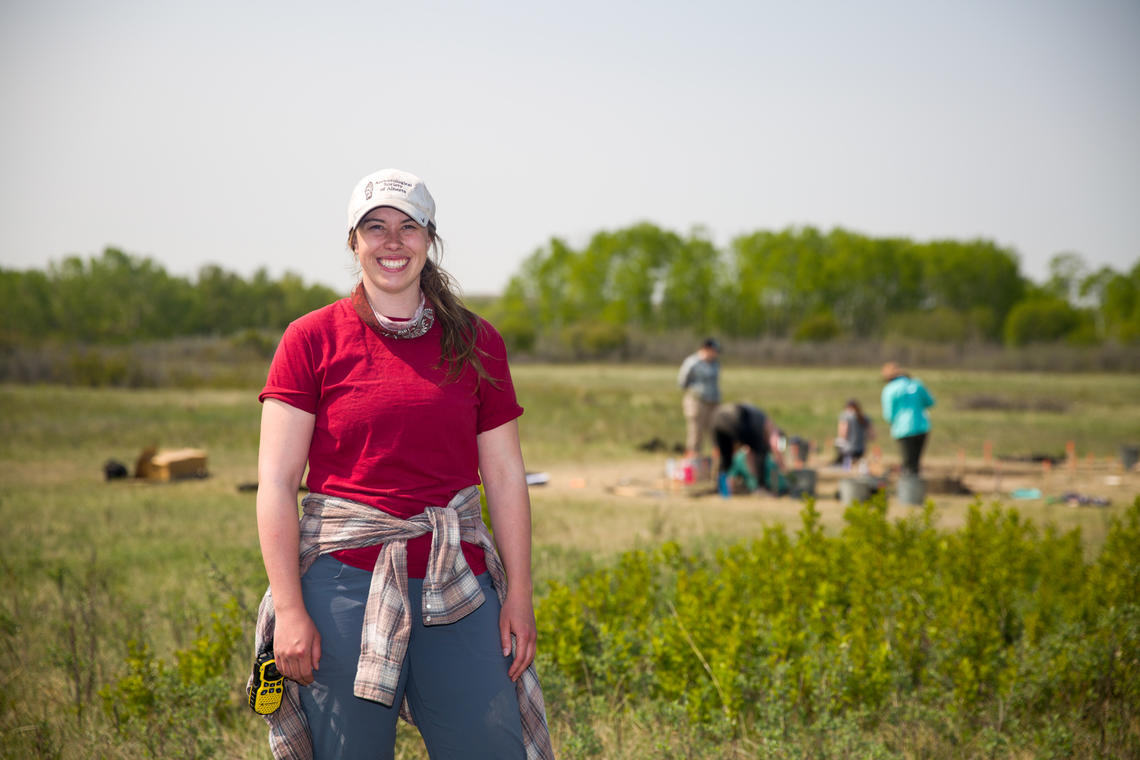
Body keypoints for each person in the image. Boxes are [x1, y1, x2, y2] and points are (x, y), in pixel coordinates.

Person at [250, 168, 553, 760]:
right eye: (375, 227)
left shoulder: (476, 340)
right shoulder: (310, 339)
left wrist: (519, 594)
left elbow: (507, 478)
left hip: (458, 583)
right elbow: (277, 484)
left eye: (408, 227)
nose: (393, 241)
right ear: (353, 242)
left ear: (429, 239)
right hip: (342, 585)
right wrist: (289, 609)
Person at [711, 402, 787, 494]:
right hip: (734, 416)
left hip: (717, 418)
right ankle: (761, 487)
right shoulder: (771, 427)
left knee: (726, 458)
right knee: (760, 451)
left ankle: (723, 490)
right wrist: (782, 464)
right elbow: (775, 443)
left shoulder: (756, 421)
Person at [880, 362, 935, 477]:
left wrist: (893, 422)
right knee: (915, 462)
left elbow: (888, 414)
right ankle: (914, 485)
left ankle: (908, 489)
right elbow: (930, 402)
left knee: (907, 462)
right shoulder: (916, 384)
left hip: (903, 429)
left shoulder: (890, 389)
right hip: (922, 426)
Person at [676, 338, 721, 456]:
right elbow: (682, 382)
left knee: (715, 432)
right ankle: (693, 464)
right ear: (706, 349)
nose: (716, 354)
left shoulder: (715, 363)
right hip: (697, 402)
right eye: (714, 351)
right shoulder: (692, 362)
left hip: (713, 402)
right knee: (695, 433)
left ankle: (717, 465)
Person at [834, 398, 873, 469]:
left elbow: (842, 433)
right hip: (861, 450)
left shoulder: (845, 416)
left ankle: (845, 467)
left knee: (845, 467)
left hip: (847, 451)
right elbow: (872, 435)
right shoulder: (865, 417)